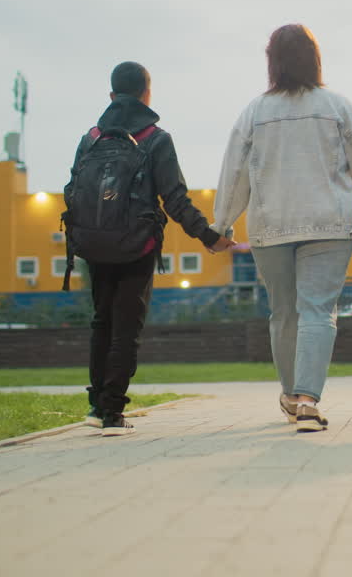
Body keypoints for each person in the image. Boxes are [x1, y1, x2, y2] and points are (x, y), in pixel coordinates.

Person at [213, 24, 352, 432]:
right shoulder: (338, 107)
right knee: (317, 309)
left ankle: (293, 396)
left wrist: (220, 225)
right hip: (330, 224)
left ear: (271, 61)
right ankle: (309, 399)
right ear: (315, 58)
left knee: (283, 313)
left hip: (270, 225)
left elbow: (235, 173)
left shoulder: (254, 113)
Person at [67, 61, 233, 436]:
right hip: (136, 247)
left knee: (101, 322)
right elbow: (174, 198)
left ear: (111, 96)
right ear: (147, 94)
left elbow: (74, 192)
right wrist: (208, 237)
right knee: (126, 328)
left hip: (93, 244)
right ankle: (111, 412)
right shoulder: (156, 138)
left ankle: (96, 407)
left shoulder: (90, 139)